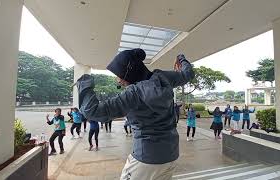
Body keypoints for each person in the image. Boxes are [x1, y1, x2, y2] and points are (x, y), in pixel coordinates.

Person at [76, 49, 194, 180]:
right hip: (170, 154)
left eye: (119, 75)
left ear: (129, 72)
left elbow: (92, 111)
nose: (118, 81)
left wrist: (84, 82)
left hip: (146, 158)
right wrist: (181, 58)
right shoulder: (164, 78)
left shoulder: (134, 94)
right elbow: (188, 73)